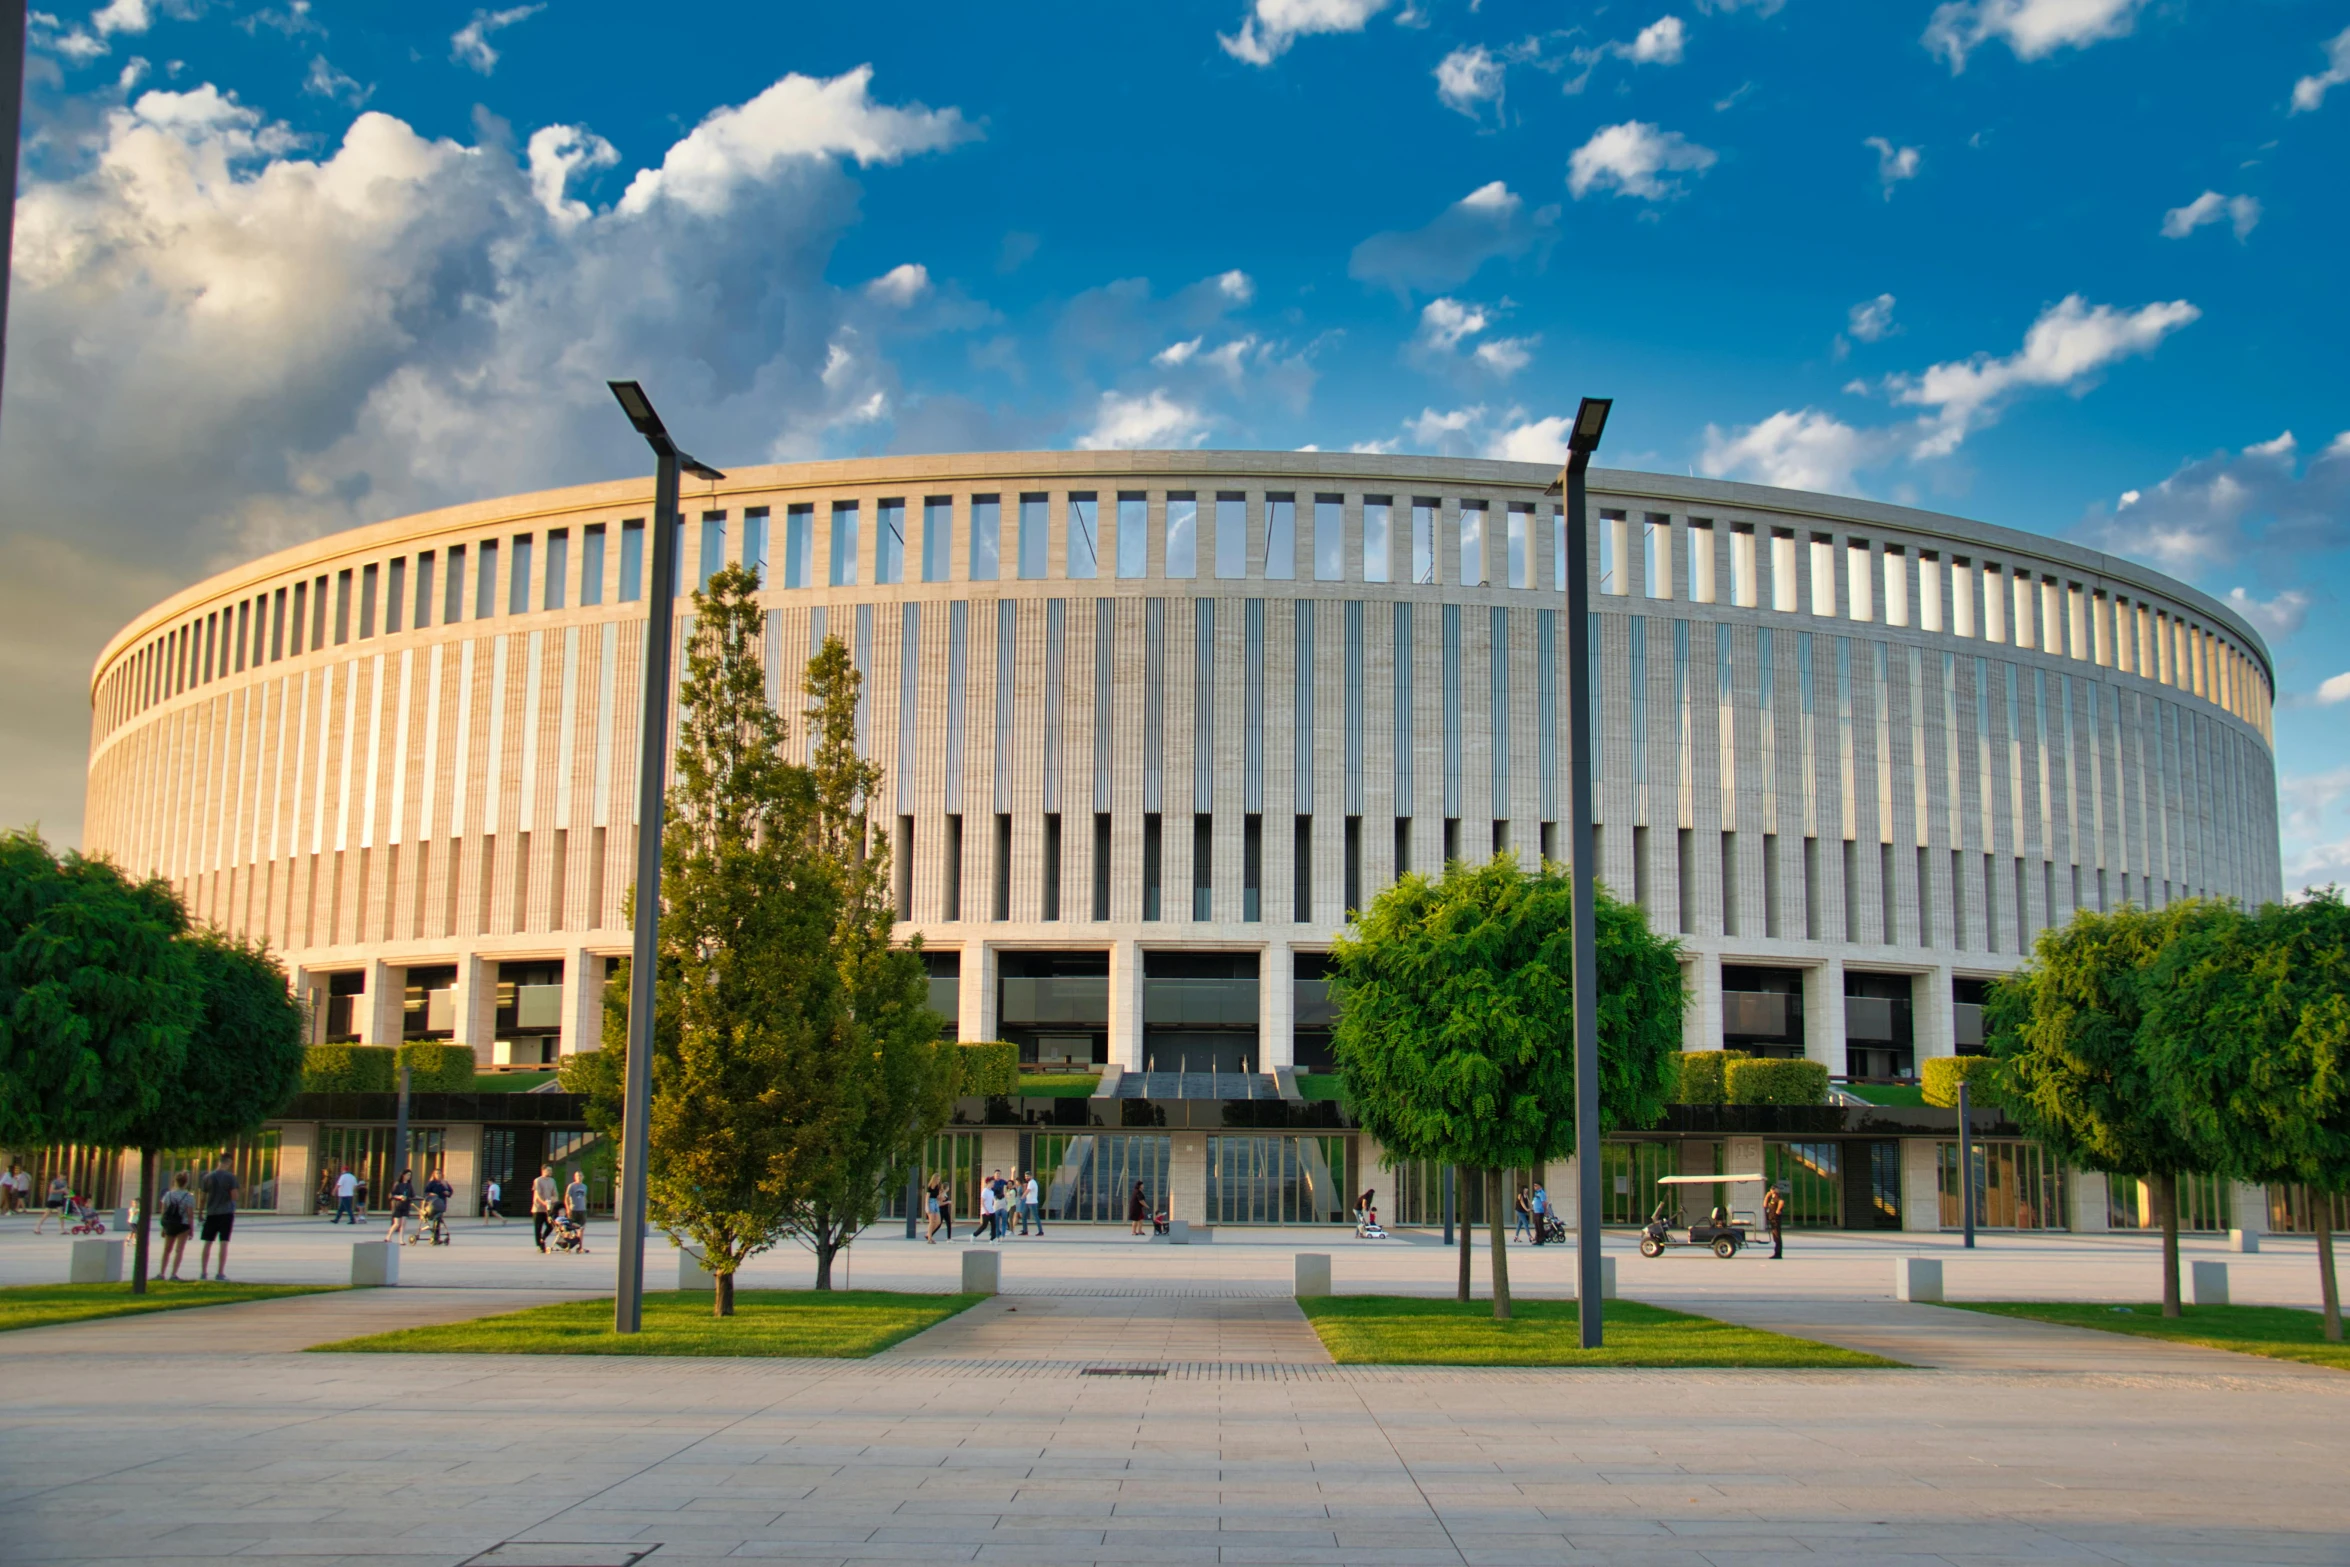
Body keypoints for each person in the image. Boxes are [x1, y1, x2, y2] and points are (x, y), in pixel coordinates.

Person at [197, 1158, 240, 1280]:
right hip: (226, 1213)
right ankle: (220, 1272)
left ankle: (203, 1272)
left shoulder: (207, 1178)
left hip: (211, 1213)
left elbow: (203, 1197)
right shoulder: (230, 1177)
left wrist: (200, 1212)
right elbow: (234, 1196)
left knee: (207, 1242)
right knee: (224, 1243)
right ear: (228, 1163)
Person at [157, 1171, 197, 1280]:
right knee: (179, 1250)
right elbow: (190, 1215)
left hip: (169, 1224)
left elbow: (163, 1212)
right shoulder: (188, 1196)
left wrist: (163, 1227)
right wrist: (191, 1229)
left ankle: (161, 1273)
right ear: (186, 1183)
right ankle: (173, 1274)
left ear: (175, 1181)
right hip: (183, 1225)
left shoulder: (168, 1195)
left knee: (167, 1250)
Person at [531, 1164, 558, 1252]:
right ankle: (539, 1245)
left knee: (551, 1225)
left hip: (548, 1209)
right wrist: (544, 1203)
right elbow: (537, 1194)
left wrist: (552, 1200)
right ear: (543, 1171)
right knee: (538, 1227)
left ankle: (542, 1238)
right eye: (548, 1170)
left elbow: (555, 1194)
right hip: (538, 1208)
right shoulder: (538, 1180)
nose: (550, 1172)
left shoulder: (552, 1181)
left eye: (551, 1170)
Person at [385, 1168, 414, 1243]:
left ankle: (401, 1240)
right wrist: (399, 1197)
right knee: (396, 1224)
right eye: (407, 1175)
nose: (409, 1177)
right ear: (403, 1175)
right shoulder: (397, 1184)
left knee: (403, 1224)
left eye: (410, 1175)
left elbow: (412, 1195)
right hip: (398, 1205)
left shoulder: (409, 1185)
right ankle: (388, 1236)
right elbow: (392, 1195)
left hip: (406, 1206)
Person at [1763, 1183, 1787, 1260]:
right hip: (1772, 1219)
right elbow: (1764, 1205)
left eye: (1774, 1189)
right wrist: (1767, 1196)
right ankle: (1776, 1252)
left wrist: (1778, 1210)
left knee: (1777, 1236)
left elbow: (1781, 1202)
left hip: (1776, 1219)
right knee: (1775, 1237)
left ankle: (1778, 1253)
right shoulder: (1772, 1198)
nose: (1772, 1190)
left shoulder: (1777, 1197)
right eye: (1772, 1189)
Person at [563, 1169, 588, 1240]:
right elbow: (566, 1198)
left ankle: (580, 1246)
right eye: (577, 1176)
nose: (579, 1177)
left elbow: (584, 1197)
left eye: (580, 1176)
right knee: (569, 1228)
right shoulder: (571, 1186)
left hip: (582, 1210)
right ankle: (566, 1244)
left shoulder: (584, 1186)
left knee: (582, 1228)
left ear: (583, 1177)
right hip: (573, 1209)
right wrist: (567, 1208)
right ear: (574, 1177)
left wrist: (585, 1206)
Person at [975, 1173, 998, 1242]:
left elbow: (992, 1201)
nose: (993, 1184)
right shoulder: (985, 1191)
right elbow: (982, 1201)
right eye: (992, 1182)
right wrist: (986, 1210)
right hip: (985, 1211)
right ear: (988, 1183)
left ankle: (993, 1239)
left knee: (994, 1224)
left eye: (993, 1182)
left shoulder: (991, 1191)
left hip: (991, 1210)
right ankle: (974, 1235)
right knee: (984, 1225)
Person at [1022, 1170, 1042, 1237]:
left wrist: (1022, 1197)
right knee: (1023, 1216)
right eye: (1025, 1176)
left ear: (1031, 1176)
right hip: (1028, 1202)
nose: (1026, 1177)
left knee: (1036, 1217)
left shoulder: (1032, 1182)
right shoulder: (1030, 1183)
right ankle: (1025, 1231)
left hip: (1032, 1202)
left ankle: (1040, 1231)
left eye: (1028, 1176)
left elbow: (1028, 1191)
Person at [923, 1176, 942, 1243]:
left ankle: (928, 1234)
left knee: (938, 1221)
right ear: (934, 1179)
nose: (938, 1181)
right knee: (932, 1221)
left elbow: (938, 1197)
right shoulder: (930, 1187)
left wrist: (940, 1197)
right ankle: (929, 1239)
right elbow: (927, 1197)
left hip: (936, 1203)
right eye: (937, 1179)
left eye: (939, 1179)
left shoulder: (938, 1187)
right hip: (930, 1203)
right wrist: (927, 1206)